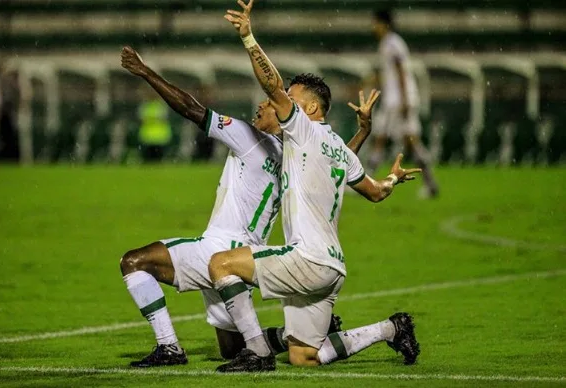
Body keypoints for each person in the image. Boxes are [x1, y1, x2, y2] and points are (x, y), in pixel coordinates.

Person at [119, 46, 373, 367]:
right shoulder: (298, 159)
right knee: (230, 348)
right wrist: (362, 133)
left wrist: (145, 72)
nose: (262, 105)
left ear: (283, 116)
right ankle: (285, 337)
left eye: (269, 104)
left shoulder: (247, 136)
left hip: (218, 252)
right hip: (247, 257)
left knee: (134, 262)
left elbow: (191, 109)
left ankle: (169, 347)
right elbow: (339, 162)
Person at [207, 0, 421, 373]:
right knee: (304, 357)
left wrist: (249, 39)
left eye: (292, 97)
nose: (283, 100)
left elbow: (271, 85)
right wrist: (391, 176)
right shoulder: (337, 145)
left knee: (220, 263)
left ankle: (256, 352)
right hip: (333, 267)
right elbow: (375, 191)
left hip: (306, 258)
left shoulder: (301, 129)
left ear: (308, 109)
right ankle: (390, 328)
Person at [368, 10, 439, 198]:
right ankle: (430, 184)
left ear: (385, 24)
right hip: (396, 99)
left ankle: (367, 182)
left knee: (382, 138)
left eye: (376, 23)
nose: (373, 27)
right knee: (409, 142)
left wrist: (405, 100)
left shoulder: (392, 43)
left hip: (398, 100)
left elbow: (400, 72)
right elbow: (389, 73)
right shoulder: (388, 43)